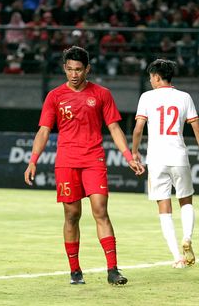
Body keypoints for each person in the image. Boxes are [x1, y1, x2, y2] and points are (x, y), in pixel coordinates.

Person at [24, 46, 144, 285]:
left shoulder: (101, 94)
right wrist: (33, 161)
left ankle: (112, 270)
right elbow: (44, 130)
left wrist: (128, 156)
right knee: (72, 215)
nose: (74, 74)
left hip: (93, 159)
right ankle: (75, 271)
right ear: (64, 69)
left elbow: (114, 127)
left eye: (79, 69)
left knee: (100, 210)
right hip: (66, 162)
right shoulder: (55, 96)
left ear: (87, 69)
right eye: (69, 69)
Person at [131, 58, 199, 269]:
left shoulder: (147, 97)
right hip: (178, 157)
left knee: (164, 206)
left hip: (156, 159)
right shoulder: (184, 97)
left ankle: (177, 257)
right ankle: (187, 237)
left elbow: (138, 128)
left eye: (151, 77)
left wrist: (134, 151)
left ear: (157, 77)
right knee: (186, 200)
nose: (150, 81)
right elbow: (197, 127)